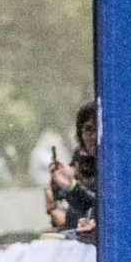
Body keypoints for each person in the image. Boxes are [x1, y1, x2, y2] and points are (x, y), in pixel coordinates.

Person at [45, 100, 98, 241]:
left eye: (99, 129)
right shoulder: (76, 168)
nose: (94, 137)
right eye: (88, 129)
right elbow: (94, 204)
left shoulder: (120, 170)